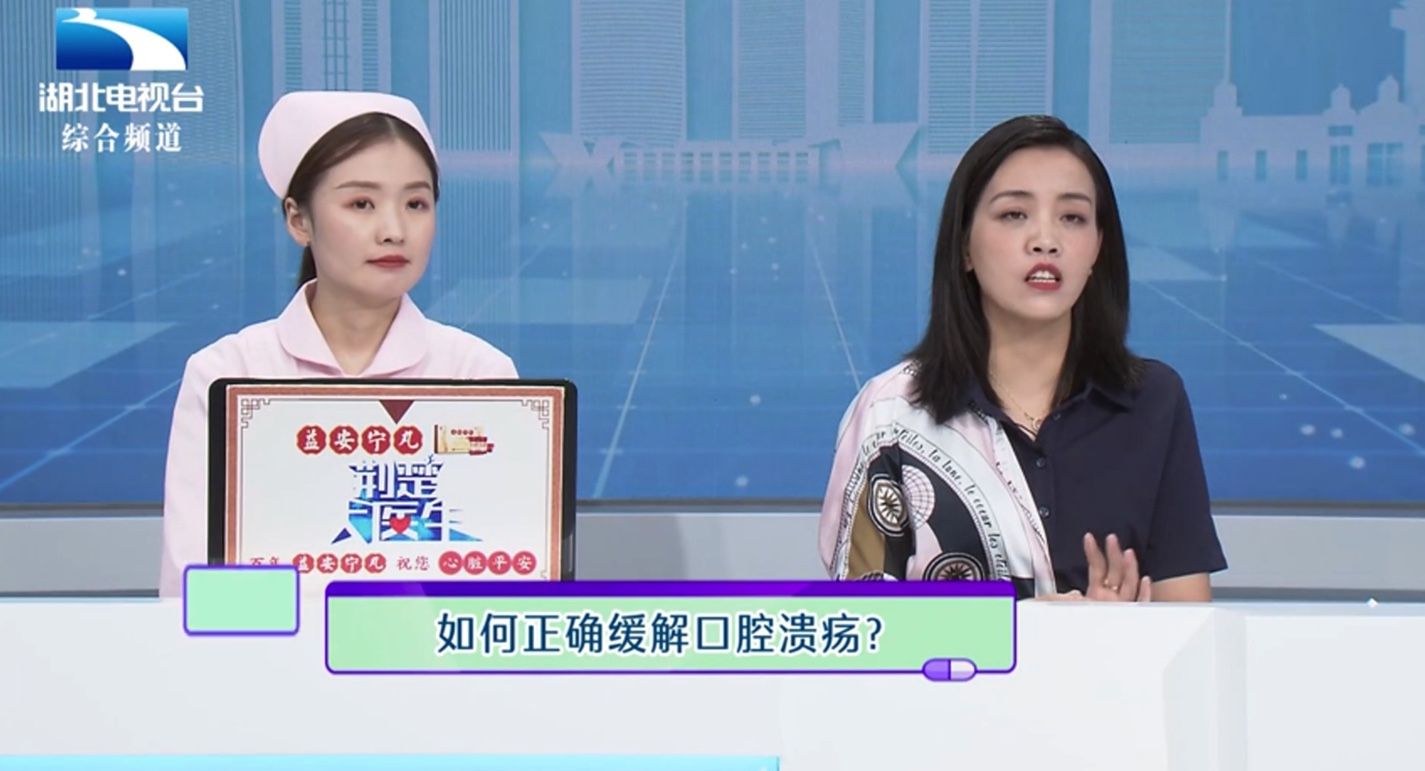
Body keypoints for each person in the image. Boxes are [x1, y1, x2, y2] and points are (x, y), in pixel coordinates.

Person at [818, 115, 1226, 602]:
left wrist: (1119, 630)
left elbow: (1189, 620)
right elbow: (863, 625)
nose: (1045, 240)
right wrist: (1029, 625)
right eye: (1014, 214)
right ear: (964, 246)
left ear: (1098, 249)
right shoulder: (891, 413)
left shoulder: (1153, 401)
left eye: (1072, 218)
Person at [157, 91, 517, 597]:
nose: (394, 231)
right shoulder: (228, 372)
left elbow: (504, 577)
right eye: (361, 204)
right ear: (298, 219)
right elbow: (192, 584)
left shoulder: (478, 375)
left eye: (416, 204)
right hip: (260, 647)